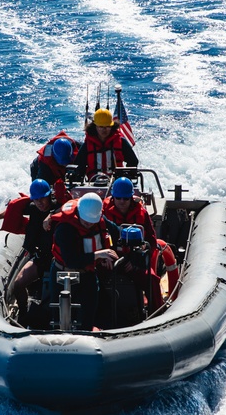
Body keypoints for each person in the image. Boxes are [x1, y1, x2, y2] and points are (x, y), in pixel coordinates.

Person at [0, 179, 58, 323]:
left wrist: (52, 215)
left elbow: (72, 206)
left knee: (57, 289)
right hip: (41, 257)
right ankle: (24, 314)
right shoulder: (33, 207)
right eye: (37, 199)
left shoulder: (59, 206)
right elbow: (12, 211)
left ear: (49, 196)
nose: (40, 202)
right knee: (18, 284)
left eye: (43, 198)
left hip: (59, 260)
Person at [48, 192, 121, 330]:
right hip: (62, 274)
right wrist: (99, 254)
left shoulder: (100, 221)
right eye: (85, 220)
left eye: (91, 221)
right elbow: (71, 260)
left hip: (87, 275)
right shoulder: (65, 229)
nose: (88, 224)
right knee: (58, 318)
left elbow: (116, 233)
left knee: (88, 315)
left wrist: (107, 254)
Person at [102, 177, 162, 312]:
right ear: (113, 197)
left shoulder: (142, 213)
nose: (122, 202)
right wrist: (103, 257)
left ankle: (157, 313)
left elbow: (151, 242)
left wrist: (137, 260)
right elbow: (95, 236)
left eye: (126, 198)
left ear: (131, 198)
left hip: (134, 261)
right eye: (118, 198)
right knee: (91, 279)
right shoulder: (103, 212)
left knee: (152, 279)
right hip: (109, 260)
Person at [73, 108, 138, 179]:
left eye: (107, 126)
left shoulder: (121, 142)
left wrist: (127, 176)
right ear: (95, 126)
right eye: (101, 127)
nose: (104, 130)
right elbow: (78, 165)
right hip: (93, 184)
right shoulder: (87, 144)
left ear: (111, 126)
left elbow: (133, 161)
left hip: (117, 183)